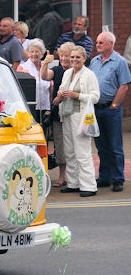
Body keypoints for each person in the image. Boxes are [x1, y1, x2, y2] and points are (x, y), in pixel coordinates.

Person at [53, 46, 99, 196]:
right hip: (66, 115)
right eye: (72, 57)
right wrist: (60, 95)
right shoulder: (67, 73)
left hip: (81, 116)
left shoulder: (89, 75)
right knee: (69, 151)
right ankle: (73, 183)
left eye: (78, 57)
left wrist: (76, 95)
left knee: (82, 151)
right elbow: (60, 91)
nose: (74, 60)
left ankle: (89, 186)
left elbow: (95, 97)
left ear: (84, 59)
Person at [89, 31, 131, 192]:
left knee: (115, 147)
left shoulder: (120, 62)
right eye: (97, 42)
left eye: (101, 42)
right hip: (96, 109)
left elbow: (124, 86)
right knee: (101, 146)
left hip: (111, 110)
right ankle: (105, 177)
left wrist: (114, 105)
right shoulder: (94, 61)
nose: (97, 45)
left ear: (111, 44)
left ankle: (118, 178)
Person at [41, 42, 75, 186]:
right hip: (57, 113)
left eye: (67, 56)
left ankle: (74, 177)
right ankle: (62, 177)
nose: (64, 59)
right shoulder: (57, 70)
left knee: (74, 145)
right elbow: (44, 76)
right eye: (61, 56)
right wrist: (45, 63)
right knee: (60, 146)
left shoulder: (77, 72)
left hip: (74, 113)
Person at [16, 39, 51, 112]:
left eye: (37, 51)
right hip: (29, 108)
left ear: (42, 53)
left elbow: (50, 89)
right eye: (31, 51)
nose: (34, 54)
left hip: (46, 109)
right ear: (28, 53)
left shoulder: (46, 67)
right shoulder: (22, 68)